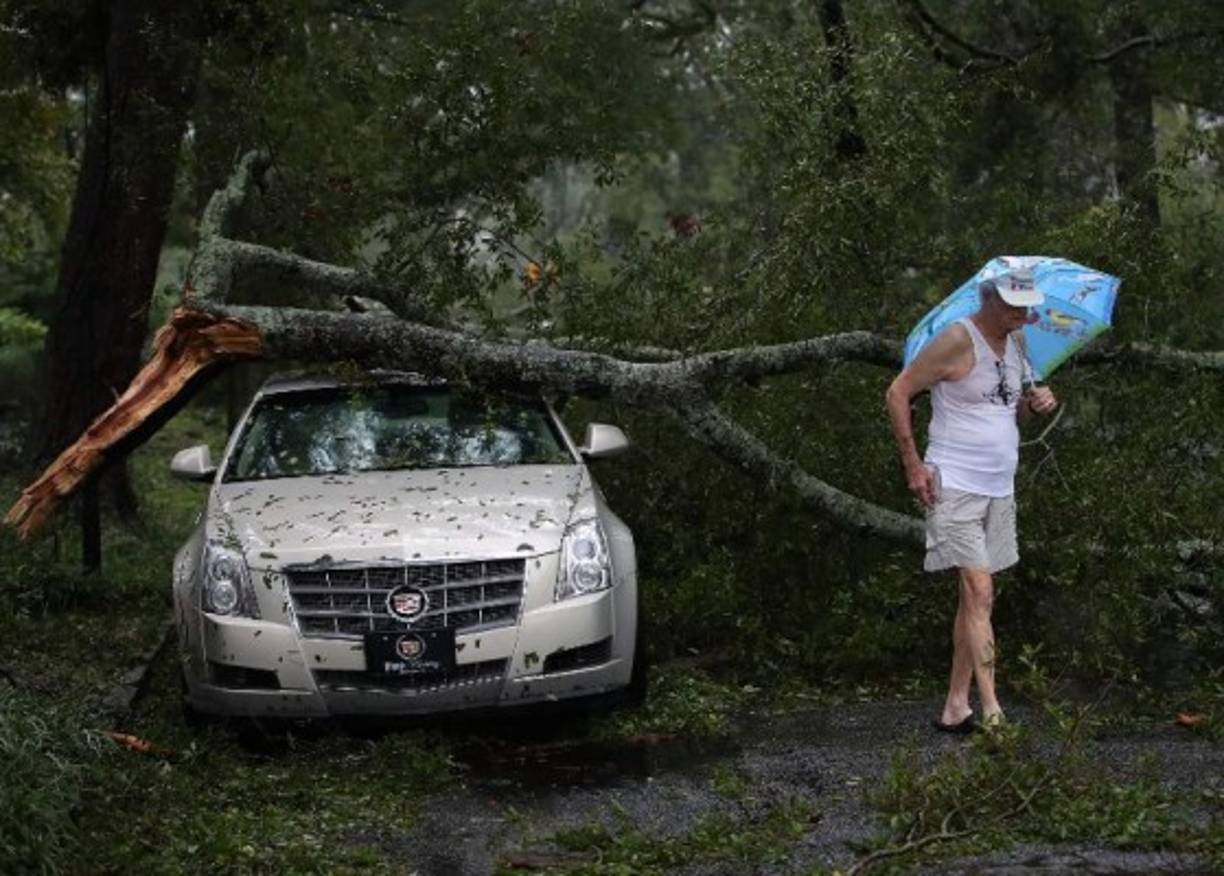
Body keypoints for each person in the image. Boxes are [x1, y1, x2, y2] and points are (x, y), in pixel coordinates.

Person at [885, 270, 1058, 732]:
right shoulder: (957, 340)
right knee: (981, 592)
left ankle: (955, 706)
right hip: (954, 482)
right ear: (990, 301)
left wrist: (1035, 403)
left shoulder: (1018, 344)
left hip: (1000, 485)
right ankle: (994, 712)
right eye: (1016, 307)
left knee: (974, 600)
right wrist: (913, 465)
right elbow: (898, 391)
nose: (1025, 315)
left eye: (1028, 306)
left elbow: (1008, 410)